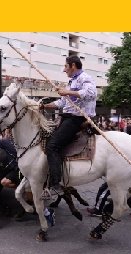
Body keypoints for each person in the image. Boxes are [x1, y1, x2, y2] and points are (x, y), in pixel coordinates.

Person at [39, 55, 98, 199]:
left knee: (52, 146)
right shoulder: (72, 81)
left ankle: (56, 184)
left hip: (78, 118)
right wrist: (45, 106)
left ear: (73, 65)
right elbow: (62, 103)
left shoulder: (85, 78)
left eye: (66, 66)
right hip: (67, 117)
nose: (64, 70)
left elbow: (91, 94)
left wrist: (67, 92)